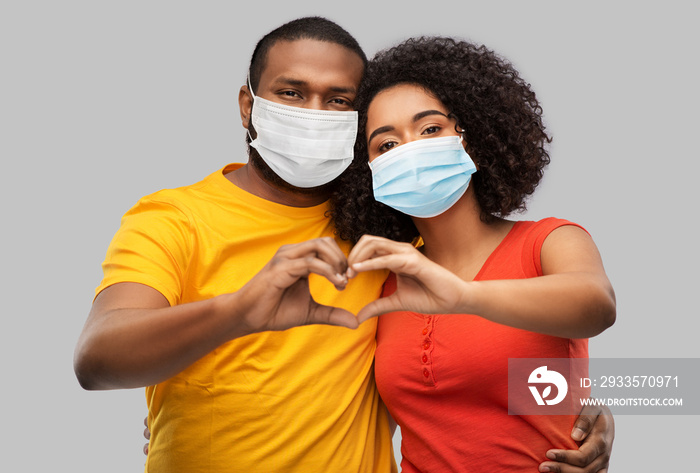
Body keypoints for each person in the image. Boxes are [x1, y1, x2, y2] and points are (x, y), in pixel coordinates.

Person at [75, 17, 613, 472]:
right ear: (248, 104)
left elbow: (529, 327)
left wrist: (582, 405)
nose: (313, 114)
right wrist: (238, 313)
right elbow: (98, 360)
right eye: (291, 92)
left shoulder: (386, 238)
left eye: (338, 101)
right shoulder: (174, 218)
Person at [328, 36, 617, 472]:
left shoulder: (548, 242)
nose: (410, 150)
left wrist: (465, 296)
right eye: (386, 145)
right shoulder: (384, 284)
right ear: (366, 172)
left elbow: (597, 306)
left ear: (471, 137)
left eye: (430, 130)